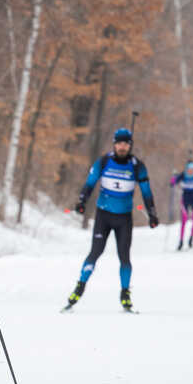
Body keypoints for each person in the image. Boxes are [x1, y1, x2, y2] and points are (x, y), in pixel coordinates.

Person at [64, 127, 159, 312]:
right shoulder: (104, 161)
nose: (122, 147)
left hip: (124, 218)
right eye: (119, 143)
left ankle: (125, 294)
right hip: (103, 216)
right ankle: (79, 288)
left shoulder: (137, 166)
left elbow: (147, 193)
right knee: (95, 253)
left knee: (124, 257)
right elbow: (90, 183)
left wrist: (152, 214)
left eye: (126, 144)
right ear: (114, 144)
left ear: (130, 145)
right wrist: (82, 201)